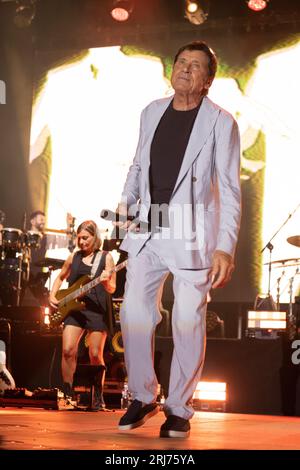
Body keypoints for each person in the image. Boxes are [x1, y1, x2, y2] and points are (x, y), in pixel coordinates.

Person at [114, 41, 241, 437]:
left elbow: (231, 188)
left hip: (194, 233)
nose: (186, 70)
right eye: (181, 62)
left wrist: (225, 245)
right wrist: (125, 204)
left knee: (187, 318)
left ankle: (179, 408)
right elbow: (138, 164)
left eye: (196, 66)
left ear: (208, 81)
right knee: (134, 311)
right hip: (149, 226)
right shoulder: (151, 111)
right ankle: (142, 395)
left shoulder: (221, 122)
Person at [49, 220, 116, 409]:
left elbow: (112, 287)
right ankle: (68, 393)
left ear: (95, 238)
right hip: (74, 309)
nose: (81, 242)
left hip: (97, 310)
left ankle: (97, 396)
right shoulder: (74, 257)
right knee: (68, 350)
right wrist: (52, 295)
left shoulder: (106, 258)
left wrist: (104, 282)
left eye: (85, 238)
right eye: (79, 238)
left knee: (95, 354)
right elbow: (61, 276)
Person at [22, 210, 74, 306]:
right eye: (41, 219)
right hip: (24, 274)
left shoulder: (45, 237)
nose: (43, 222)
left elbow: (68, 240)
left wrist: (69, 225)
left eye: (44, 220)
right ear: (32, 221)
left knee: (41, 301)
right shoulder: (23, 236)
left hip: (37, 276)